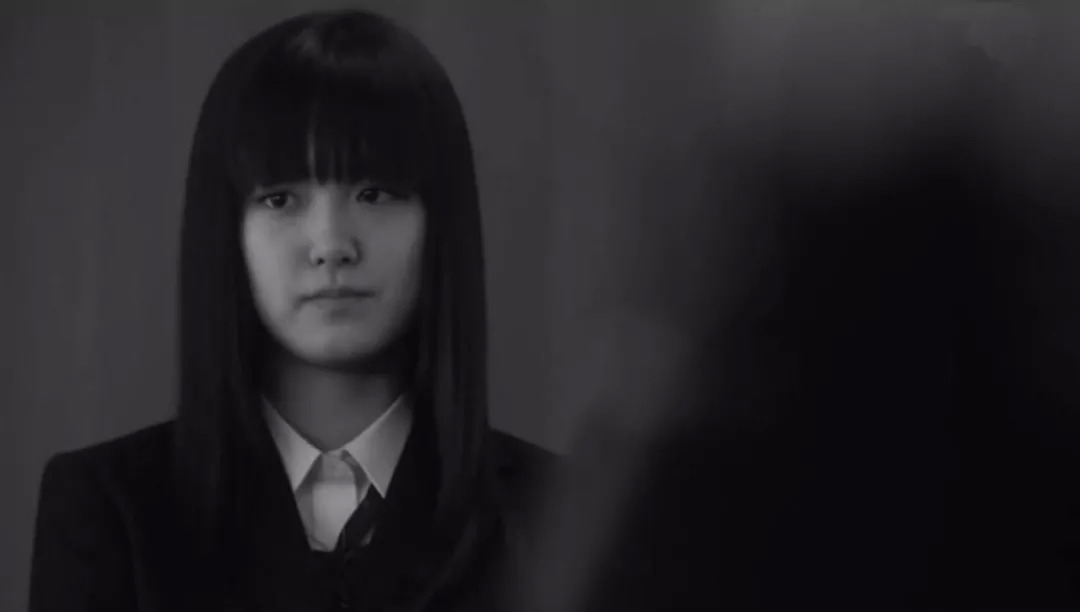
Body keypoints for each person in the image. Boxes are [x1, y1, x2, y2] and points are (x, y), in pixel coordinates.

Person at [28, 10, 557, 612]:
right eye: (280, 199)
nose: (331, 244)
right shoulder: (112, 508)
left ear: (440, 222)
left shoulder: (557, 517)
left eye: (374, 193)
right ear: (227, 230)